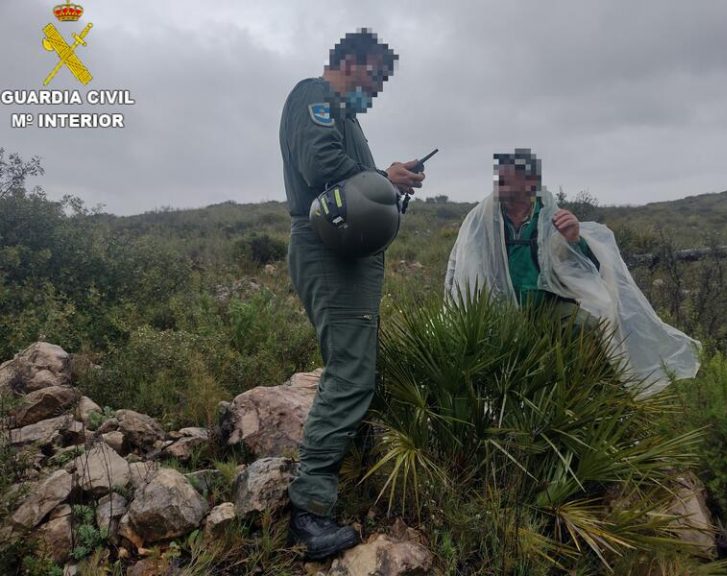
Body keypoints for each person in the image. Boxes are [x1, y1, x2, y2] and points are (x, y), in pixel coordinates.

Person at [279, 29, 425, 560]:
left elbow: (353, 181)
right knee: (351, 371)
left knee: (352, 360)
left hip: (348, 252)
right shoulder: (314, 97)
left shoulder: (347, 115)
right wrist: (380, 175)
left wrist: (388, 182)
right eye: (376, 75)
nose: (377, 88)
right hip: (329, 249)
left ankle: (344, 459)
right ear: (353, 61)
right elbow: (321, 167)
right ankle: (310, 508)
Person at [445, 149, 700, 397]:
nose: (500, 184)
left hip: (545, 302)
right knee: (481, 347)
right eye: (499, 178)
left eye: (507, 178)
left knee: (585, 327)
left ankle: (593, 395)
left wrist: (574, 239)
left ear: (528, 182)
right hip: (497, 306)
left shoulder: (549, 216)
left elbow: (586, 266)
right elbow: (463, 264)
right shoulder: (484, 219)